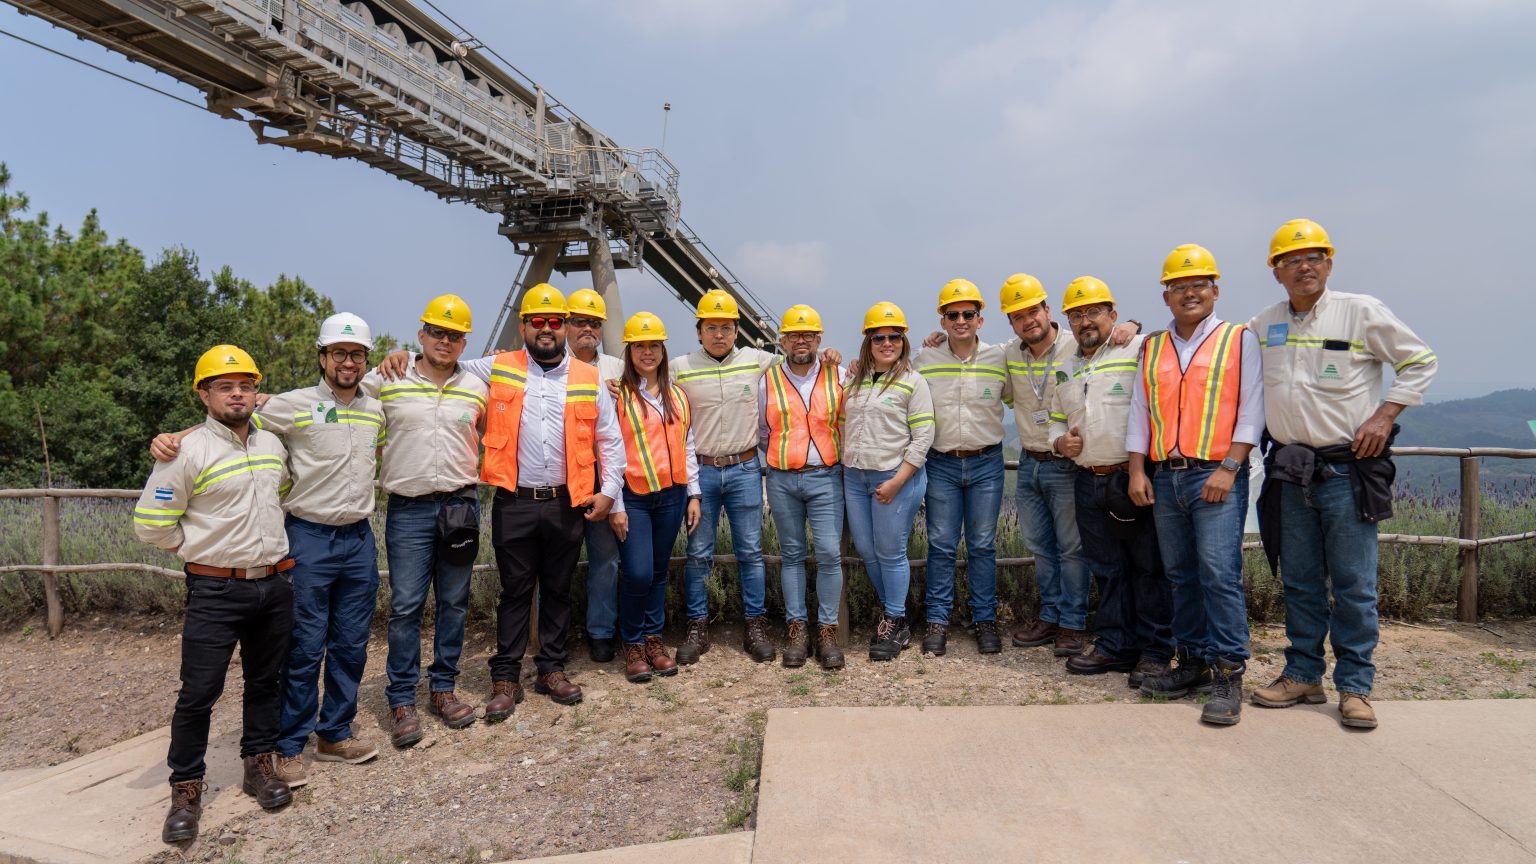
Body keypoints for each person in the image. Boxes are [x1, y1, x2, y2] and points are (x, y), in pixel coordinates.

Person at [150, 314, 385, 784]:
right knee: (304, 646)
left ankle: (335, 733)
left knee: (351, 644)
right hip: (309, 537)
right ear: (322, 357)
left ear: (365, 360)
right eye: (338, 353)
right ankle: (290, 744)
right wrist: (172, 439)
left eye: (357, 354)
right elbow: (226, 422)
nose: (348, 362)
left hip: (359, 538)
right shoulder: (291, 405)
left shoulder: (375, 410)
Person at [1248, 219, 1436, 730]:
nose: (1303, 266)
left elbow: (1420, 361)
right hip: (1292, 471)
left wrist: (1384, 415)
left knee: (1354, 585)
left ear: (1329, 263)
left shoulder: (1361, 311)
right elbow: (1222, 353)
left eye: (1313, 257)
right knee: (1301, 581)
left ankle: (1355, 686)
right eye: (1290, 260)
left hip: (1346, 471)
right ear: (1276, 271)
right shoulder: (1264, 323)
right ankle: (1303, 675)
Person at [134, 345, 294, 844]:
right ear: (204, 395)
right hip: (215, 589)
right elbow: (151, 523)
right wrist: (197, 550)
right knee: (199, 693)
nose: (237, 394)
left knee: (266, 682)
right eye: (225, 386)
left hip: (273, 584)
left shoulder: (271, 445)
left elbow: (280, 494)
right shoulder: (185, 452)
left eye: (245, 385)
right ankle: (185, 790)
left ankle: (259, 766)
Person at [1127, 246, 1264, 726]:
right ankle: (1192, 663)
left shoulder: (1238, 339)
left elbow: (1251, 407)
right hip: (1166, 475)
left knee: (1218, 573)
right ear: (1165, 296)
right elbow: (1140, 411)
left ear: (1215, 290)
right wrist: (1137, 470)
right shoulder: (1152, 348)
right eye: (1179, 287)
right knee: (1181, 575)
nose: (1189, 293)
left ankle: (1228, 672)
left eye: (1199, 285)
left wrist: (1229, 467)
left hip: (1215, 473)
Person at [476, 284, 625, 711]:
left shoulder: (588, 377)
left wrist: (609, 492)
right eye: (537, 321)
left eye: (554, 321)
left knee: (558, 588)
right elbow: (442, 365)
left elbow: (610, 439)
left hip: (566, 501)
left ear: (564, 326)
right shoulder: (498, 366)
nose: (547, 329)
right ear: (523, 325)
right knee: (515, 591)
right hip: (515, 500)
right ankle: (505, 678)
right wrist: (403, 359)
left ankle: (551, 669)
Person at [367, 295, 488, 746]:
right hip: (409, 509)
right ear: (421, 334)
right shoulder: (387, 379)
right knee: (405, 606)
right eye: (437, 332)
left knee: (454, 602)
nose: (445, 341)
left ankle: (442, 688)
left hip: (460, 505)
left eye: (455, 335)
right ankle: (401, 699)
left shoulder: (477, 387)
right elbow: (335, 397)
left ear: (464, 344)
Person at [1048, 277, 1175, 686]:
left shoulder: (1135, 349)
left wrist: (1137, 325)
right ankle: (1115, 645)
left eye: (1093, 312)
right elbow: (1055, 417)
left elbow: (1170, 341)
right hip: (1087, 480)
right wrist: (1058, 441)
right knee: (1106, 568)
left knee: (1148, 567)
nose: (1085, 321)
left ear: (1113, 315)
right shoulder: (1064, 367)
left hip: (1131, 477)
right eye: (1076, 315)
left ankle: (1155, 651)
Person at [668, 290, 779, 664]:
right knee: (698, 552)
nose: (719, 334)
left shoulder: (756, 361)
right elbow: (642, 380)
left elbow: (801, 362)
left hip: (745, 468)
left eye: (726, 328)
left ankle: (755, 625)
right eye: (711, 327)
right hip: (701, 472)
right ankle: (697, 627)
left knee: (751, 551)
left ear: (736, 331)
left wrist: (834, 358)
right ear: (699, 331)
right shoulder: (680, 367)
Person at [912, 280, 1011, 656]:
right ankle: (938, 620)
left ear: (980, 319)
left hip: (987, 462)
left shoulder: (999, 358)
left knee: (983, 545)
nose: (961, 320)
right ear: (942, 320)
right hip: (941, 462)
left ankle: (984, 619)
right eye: (952, 314)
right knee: (941, 545)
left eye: (968, 314)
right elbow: (890, 371)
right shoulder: (925, 358)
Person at [1002, 274, 1093, 658]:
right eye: (1018, 316)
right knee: (1040, 547)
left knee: (1072, 548)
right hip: (1029, 463)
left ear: (1047, 309)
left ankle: (1072, 624)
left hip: (1067, 464)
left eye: (1033, 311)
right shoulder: (1010, 355)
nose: (1028, 320)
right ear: (1011, 322)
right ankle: (1050, 617)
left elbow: (1116, 342)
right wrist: (934, 340)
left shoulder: (1077, 344)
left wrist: (1131, 327)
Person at [608, 312, 702, 682]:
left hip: (672, 496)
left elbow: (688, 445)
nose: (647, 352)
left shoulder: (678, 395)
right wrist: (615, 505)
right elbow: (609, 452)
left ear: (663, 351)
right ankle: (632, 643)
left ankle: (653, 640)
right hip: (633, 497)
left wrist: (694, 494)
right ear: (629, 352)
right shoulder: (616, 396)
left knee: (659, 572)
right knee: (638, 573)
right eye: (640, 346)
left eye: (654, 346)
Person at [841, 302, 934, 661]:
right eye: (878, 337)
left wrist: (898, 480)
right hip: (855, 477)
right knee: (867, 550)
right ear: (867, 341)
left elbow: (923, 437)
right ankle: (897, 615)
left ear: (903, 340)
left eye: (894, 336)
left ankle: (893, 621)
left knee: (891, 552)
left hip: (895, 476)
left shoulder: (913, 382)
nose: (887, 343)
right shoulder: (853, 379)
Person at [759, 304, 846, 669]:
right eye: (794, 335)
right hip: (782, 478)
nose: (801, 341)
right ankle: (797, 631)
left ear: (819, 339)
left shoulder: (839, 373)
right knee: (791, 554)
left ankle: (827, 631)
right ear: (783, 340)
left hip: (825, 475)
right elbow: (762, 430)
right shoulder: (767, 379)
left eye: (808, 335)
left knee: (829, 553)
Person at [565, 288, 627, 664]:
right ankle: (551, 636)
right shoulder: (547, 365)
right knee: (554, 563)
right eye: (579, 321)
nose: (588, 328)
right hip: (561, 480)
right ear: (565, 325)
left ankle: (601, 632)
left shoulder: (618, 369)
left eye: (594, 323)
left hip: (604, 479)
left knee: (606, 560)